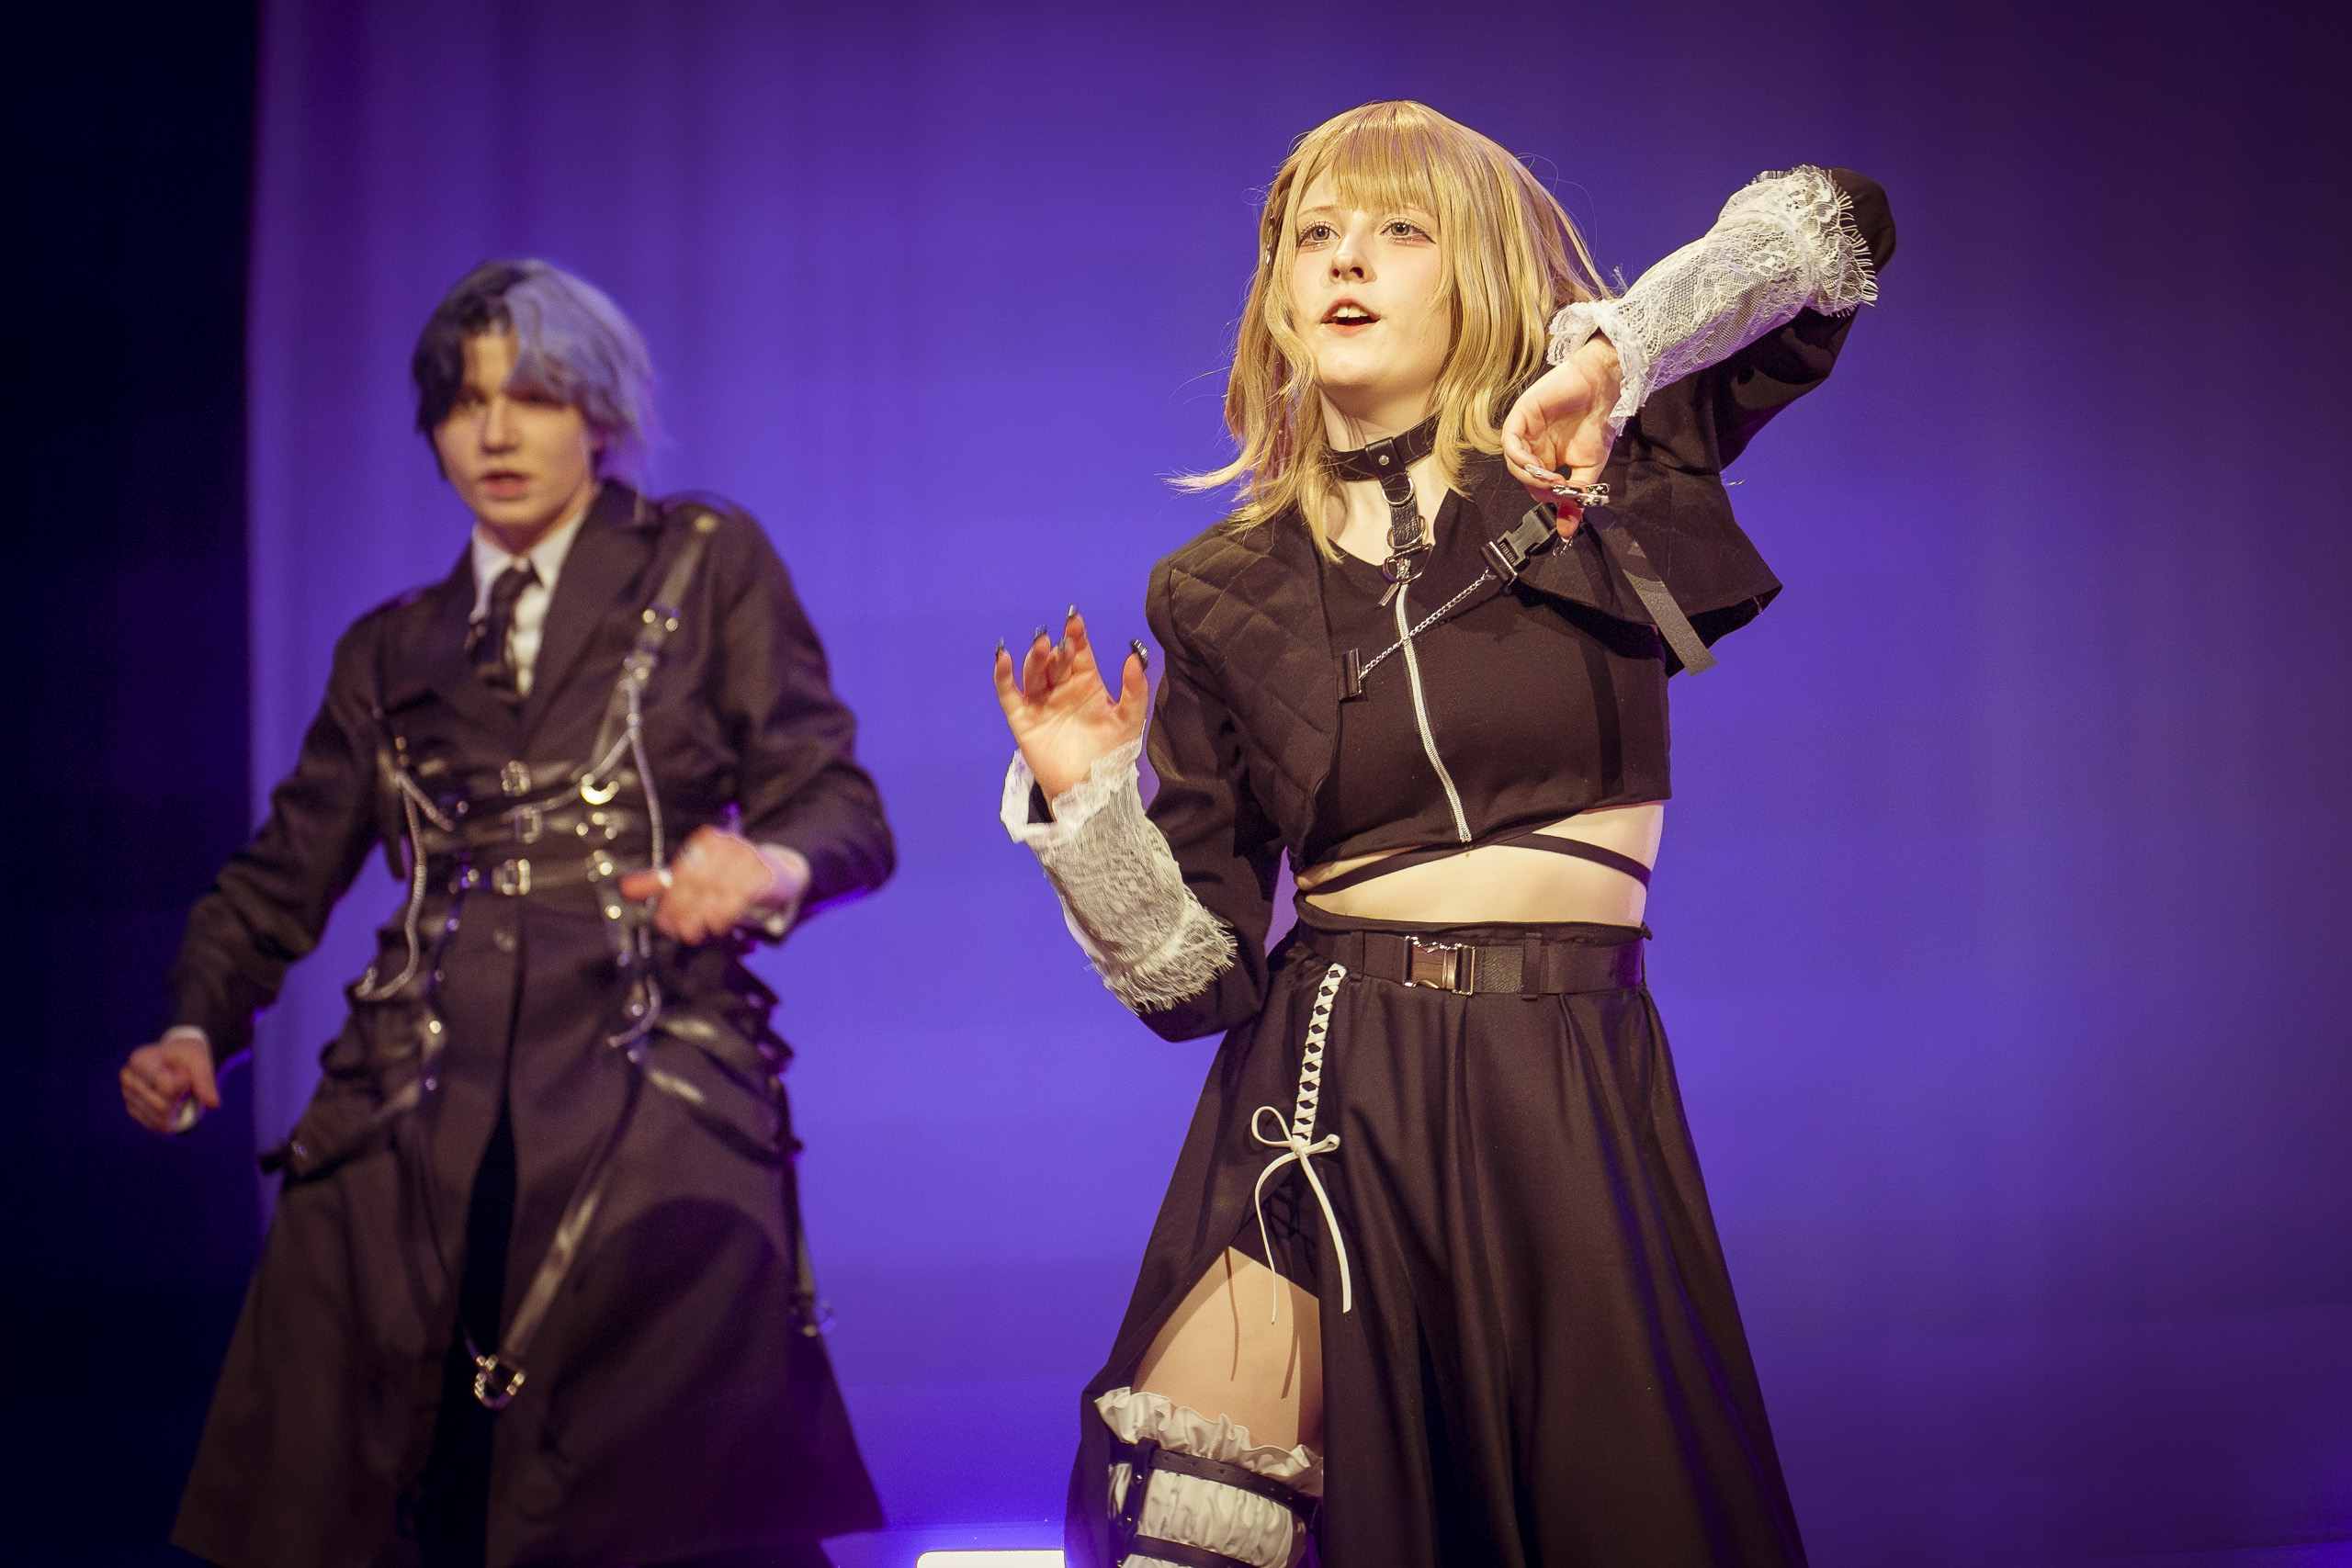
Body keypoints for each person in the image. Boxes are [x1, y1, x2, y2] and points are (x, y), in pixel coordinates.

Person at [994, 101, 1894, 1567]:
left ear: (1476, 274)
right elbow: (1198, 980)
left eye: (1399, 230)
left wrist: (1612, 355)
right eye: (1315, 237)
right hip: (1321, 1102)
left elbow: (1836, 231)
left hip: (1561, 1082)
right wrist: (1089, 807)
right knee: (1224, 1519)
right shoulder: (1215, 588)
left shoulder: (1605, 456)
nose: (1346, 262)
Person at [120, 259, 892, 1568]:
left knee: (673, 1498)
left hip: (651, 1077)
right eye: (464, 404)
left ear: (599, 413)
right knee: (359, 1465)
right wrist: (197, 1024)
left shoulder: (705, 562)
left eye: (531, 398)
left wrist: (765, 869)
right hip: (417, 1095)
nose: (494, 433)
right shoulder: (389, 648)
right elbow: (279, 877)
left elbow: (839, 804)